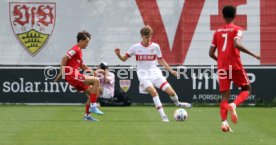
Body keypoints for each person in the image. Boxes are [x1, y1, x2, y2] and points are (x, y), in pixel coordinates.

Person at [114, 25, 191, 122]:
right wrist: (118, 55)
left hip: (155, 73)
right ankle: (163, 116)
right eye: (146, 37)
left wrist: (171, 71)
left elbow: (161, 60)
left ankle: (178, 103)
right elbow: (124, 59)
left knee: (171, 92)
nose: (148, 39)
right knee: (153, 92)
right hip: (143, 75)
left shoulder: (155, 46)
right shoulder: (135, 47)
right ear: (142, 36)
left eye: (150, 36)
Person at [209, 6, 260, 132]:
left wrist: (220, 61)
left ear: (223, 16)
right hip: (235, 65)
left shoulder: (217, 32)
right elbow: (236, 43)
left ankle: (224, 123)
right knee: (247, 89)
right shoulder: (237, 29)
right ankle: (234, 104)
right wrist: (254, 54)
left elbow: (210, 53)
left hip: (222, 67)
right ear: (235, 15)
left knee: (224, 97)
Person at [54, 31, 104, 122]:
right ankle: (93, 106)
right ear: (81, 40)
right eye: (86, 42)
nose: (87, 44)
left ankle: (87, 116)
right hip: (73, 75)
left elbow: (81, 65)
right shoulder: (76, 49)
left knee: (93, 93)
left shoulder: (79, 51)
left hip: (74, 76)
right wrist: (62, 72)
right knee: (96, 81)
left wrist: (92, 73)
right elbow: (64, 58)